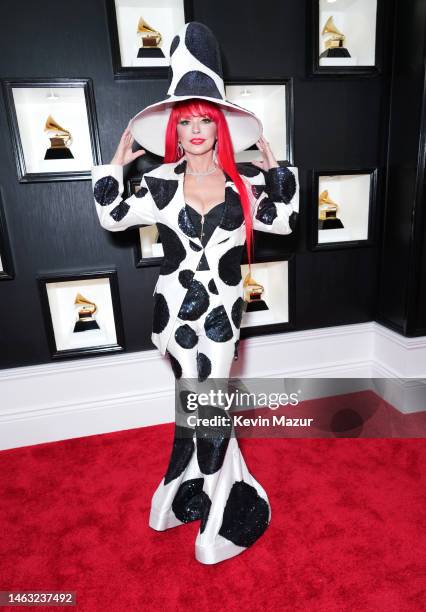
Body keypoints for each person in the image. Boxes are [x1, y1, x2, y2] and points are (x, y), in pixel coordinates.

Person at [91, 22, 299, 565]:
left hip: (223, 318)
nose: (198, 130)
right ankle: (196, 494)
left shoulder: (243, 188)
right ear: (175, 133)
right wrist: (117, 161)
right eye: (188, 123)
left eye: (207, 119)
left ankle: (217, 505)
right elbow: (112, 215)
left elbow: (282, 221)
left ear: (220, 127)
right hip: (174, 317)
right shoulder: (158, 184)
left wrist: (275, 171)